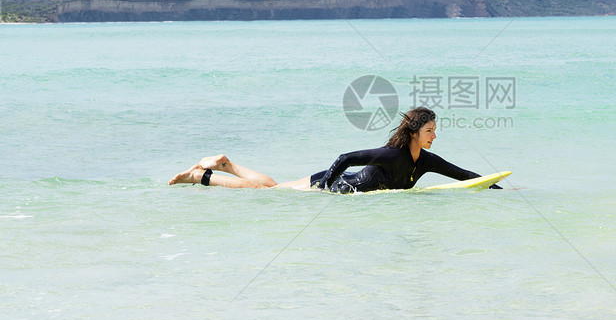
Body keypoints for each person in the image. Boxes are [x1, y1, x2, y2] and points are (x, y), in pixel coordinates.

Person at [168, 107, 501, 192]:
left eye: (435, 131)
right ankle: (201, 176)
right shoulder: (391, 155)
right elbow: (345, 158)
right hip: (329, 187)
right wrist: (327, 185)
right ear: (414, 132)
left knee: (269, 187)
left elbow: (463, 174)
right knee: (262, 190)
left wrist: (499, 187)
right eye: (430, 131)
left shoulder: (425, 160)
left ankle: (227, 164)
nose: (434, 136)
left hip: (333, 185)